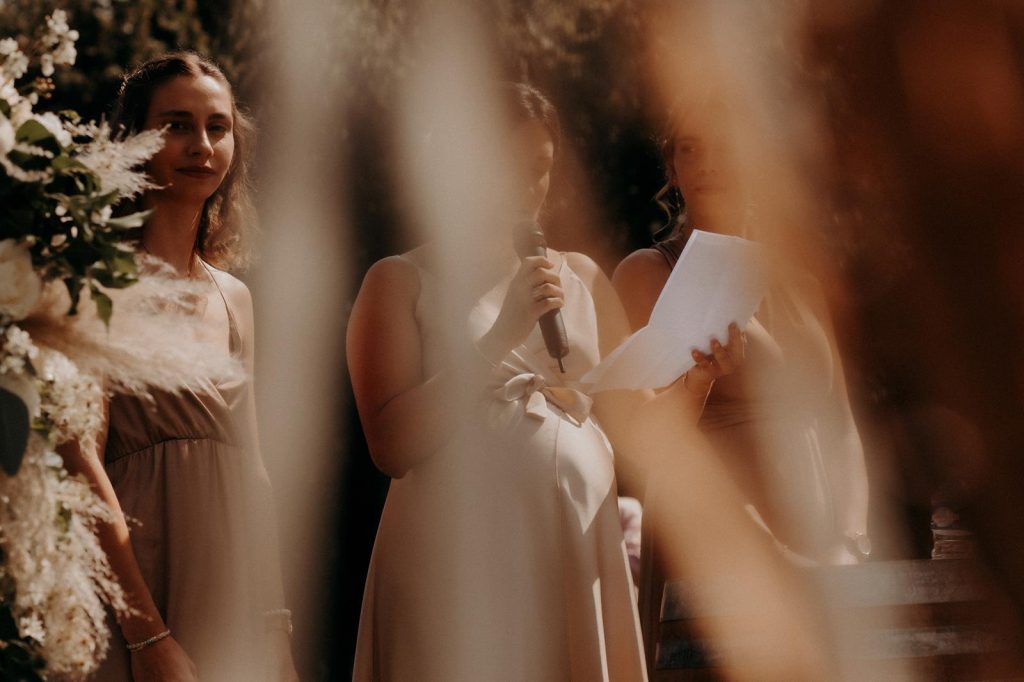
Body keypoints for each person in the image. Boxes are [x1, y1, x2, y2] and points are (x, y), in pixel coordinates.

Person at [347, 82, 742, 681]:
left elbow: (641, 440)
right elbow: (389, 444)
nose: (525, 189)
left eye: (540, 169)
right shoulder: (399, 280)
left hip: (569, 551)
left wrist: (696, 383)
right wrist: (499, 336)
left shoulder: (580, 277)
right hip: (453, 557)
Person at [57, 52, 297, 681]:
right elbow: (79, 459)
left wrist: (275, 627)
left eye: (218, 127)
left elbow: (256, 470)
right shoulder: (91, 284)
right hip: (134, 579)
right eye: (177, 125)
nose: (202, 144)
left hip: (231, 585)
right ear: (135, 139)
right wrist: (147, 634)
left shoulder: (235, 297)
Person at [612, 105, 871, 655]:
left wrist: (851, 541)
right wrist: (769, 551)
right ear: (673, 169)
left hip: (824, 545)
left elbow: (843, 425)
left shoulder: (802, 279)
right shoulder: (649, 273)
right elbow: (641, 441)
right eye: (689, 148)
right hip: (715, 548)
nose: (706, 163)